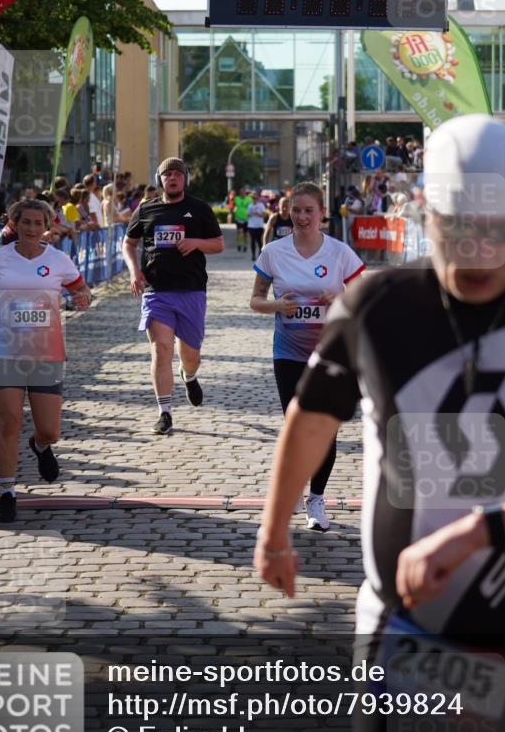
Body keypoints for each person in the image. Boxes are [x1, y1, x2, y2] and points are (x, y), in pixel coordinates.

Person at [255, 115, 505, 732]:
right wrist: (274, 529)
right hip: (408, 627)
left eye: (501, 233)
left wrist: (485, 530)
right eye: (457, 230)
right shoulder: (376, 304)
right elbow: (312, 416)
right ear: (422, 212)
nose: (477, 256)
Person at [0, 199, 92, 523]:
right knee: (9, 421)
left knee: (49, 430)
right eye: (26, 222)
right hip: (7, 352)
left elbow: (82, 290)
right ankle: (7, 491)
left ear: (47, 226)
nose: (32, 228)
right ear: (15, 223)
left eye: (38, 223)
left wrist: (82, 298)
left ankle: (41, 447)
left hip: (46, 352)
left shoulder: (59, 260)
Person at [250, 181, 365, 531]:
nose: (302, 217)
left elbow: (364, 295)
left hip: (331, 352)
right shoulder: (273, 251)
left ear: (321, 214)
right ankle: (297, 492)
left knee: (326, 429)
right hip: (288, 353)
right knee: (299, 428)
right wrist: (277, 305)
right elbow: (255, 300)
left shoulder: (339, 252)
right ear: (288, 212)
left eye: (308, 211)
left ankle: (317, 498)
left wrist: (341, 300)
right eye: (296, 210)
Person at [122, 157, 224, 435]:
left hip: (191, 290)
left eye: (178, 174)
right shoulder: (146, 209)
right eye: (168, 175)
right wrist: (134, 272)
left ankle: (189, 375)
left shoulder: (199, 209)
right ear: (160, 180)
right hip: (157, 291)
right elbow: (128, 244)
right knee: (161, 349)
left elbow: (218, 244)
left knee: (190, 354)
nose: (173, 178)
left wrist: (196, 243)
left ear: (185, 179)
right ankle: (164, 412)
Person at [247, 190, 267, 260]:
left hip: (259, 226)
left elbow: (264, 215)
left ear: (258, 198)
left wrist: (257, 213)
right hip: (251, 226)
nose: (254, 199)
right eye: (253, 198)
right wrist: (251, 213)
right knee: (252, 240)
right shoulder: (250, 205)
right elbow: (248, 215)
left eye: (255, 198)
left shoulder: (261, 205)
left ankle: (260, 254)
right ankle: (253, 255)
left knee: (259, 240)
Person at [233, 187, 250, 252]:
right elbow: (232, 204)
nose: (242, 193)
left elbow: (251, 207)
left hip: (246, 219)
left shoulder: (249, 199)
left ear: (245, 192)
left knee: (246, 233)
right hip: (238, 218)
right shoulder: (236, 198)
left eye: (243, 192)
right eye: (240, 192)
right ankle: (239, 244)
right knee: (239, 232)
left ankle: (245, 245)